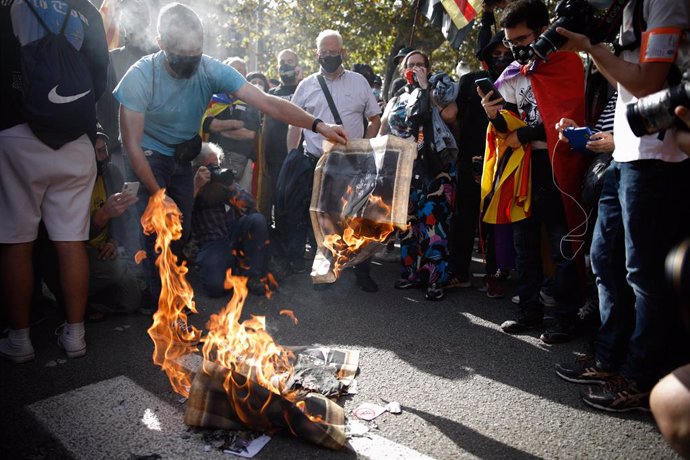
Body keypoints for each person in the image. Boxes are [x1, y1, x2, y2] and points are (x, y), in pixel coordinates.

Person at [113, 4, 347, 308]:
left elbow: (268, 103)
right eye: (182, 53)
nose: (191, 61)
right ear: (162, 45)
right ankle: (160, 304)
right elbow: (131, 144)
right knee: (156, 227)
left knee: (179, 228)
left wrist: (319, 125)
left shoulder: (210, 69)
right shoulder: (141, 75)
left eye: (195, 52)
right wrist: (158, 194)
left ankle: (165, 287)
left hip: (183, 156)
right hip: (147, 154)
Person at [554, 0, 690, 412]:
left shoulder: (665, 2)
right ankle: (609, 357)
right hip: (625, 155)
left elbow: (649, 81)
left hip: (658, 158)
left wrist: (593, 48)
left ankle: (642, 379)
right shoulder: (629, 9)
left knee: (644, 276)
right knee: (604, 260)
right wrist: (596, 49)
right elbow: (626, 86)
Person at [0, 0, 109, 362]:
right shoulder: (87, 10)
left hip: (17, 131)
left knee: (17, 240)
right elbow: (99, 78)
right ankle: (75, 336)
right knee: (71, 241)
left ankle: (20, 340)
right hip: (76, 139)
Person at [479, 0, 590, 342]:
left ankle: (566, 318)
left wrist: (524, 133)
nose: (516, 49)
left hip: (559, 166)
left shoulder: (569, 64)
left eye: (523, 40)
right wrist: (492, 113)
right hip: (523, 167)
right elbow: (507, 127)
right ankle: (528, 311)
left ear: (544, 31)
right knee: (524, 243)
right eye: (512, 43)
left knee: (563, 243)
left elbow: (572, 122)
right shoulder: (513, 73)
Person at [281, 29, 381, 292]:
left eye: (333, 52)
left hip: (352, 162)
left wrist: (364, 147)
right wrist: (292, 154)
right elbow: (294, 121)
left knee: (358, 218)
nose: (328, 56)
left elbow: (375, 118)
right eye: (323, 52)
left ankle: (363, 272)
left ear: (342, 53)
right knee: (322, 219)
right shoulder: (306, 86)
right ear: (317, 54)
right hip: (317, 163)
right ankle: (324, 270)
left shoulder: (359, 82)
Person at [379, 50, 459, 301]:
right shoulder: (397, 99)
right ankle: (411, 273)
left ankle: (436, 279)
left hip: (435, 168)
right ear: (404, 71)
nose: (415, 68)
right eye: (410, 65)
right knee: (409, 223)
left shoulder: (440, 91)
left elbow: (451, 115)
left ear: (428, 67)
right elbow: (384, 128)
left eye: (420, 64)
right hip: (404, 168)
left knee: (434, 223)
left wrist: (427, 89)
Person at [449, 30, 513, 298]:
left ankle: (495, 275)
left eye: (505, 54)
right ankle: (459, 272)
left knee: (496, 221)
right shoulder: (469, 81)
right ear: (486, 56)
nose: (500, 58)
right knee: (463, 218)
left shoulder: (518, 78)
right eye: (495, 54)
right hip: (469, 160)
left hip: (506, 160)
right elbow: (455, 119)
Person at [192, 143, 269, 297]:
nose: (215, 170)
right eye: (210, 167)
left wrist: (230, 189)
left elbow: (250, 203)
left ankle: (253, 275)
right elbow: (181, 216)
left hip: (234, 233)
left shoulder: (224, 182)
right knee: (215, 288)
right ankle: (231, 269)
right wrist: (197, 186)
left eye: (217, 165)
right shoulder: (191, 184)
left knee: (257, 220)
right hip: (212, 243)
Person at [202, 57, 262, 192]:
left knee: (242, 202)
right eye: (233, 70)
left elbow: (249, 133)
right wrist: (236, 123)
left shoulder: (252, 101)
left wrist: (218, 128)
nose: (236, 74)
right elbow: (207, 126)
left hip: (243, 159)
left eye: (240, 71)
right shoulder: (212, 100)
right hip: (214, 159)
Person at [263, 49, 303, 228]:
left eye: (290, 61)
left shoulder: (306, 89)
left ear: (297, 65)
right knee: (278, 200)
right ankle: (280, 244)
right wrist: (263, 155)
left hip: (300, 156)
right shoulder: (271, 93)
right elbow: (264, 126)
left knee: (299, 200)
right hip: (275, 157)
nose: (285, 65)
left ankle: (298, 246)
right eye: (282, 62)